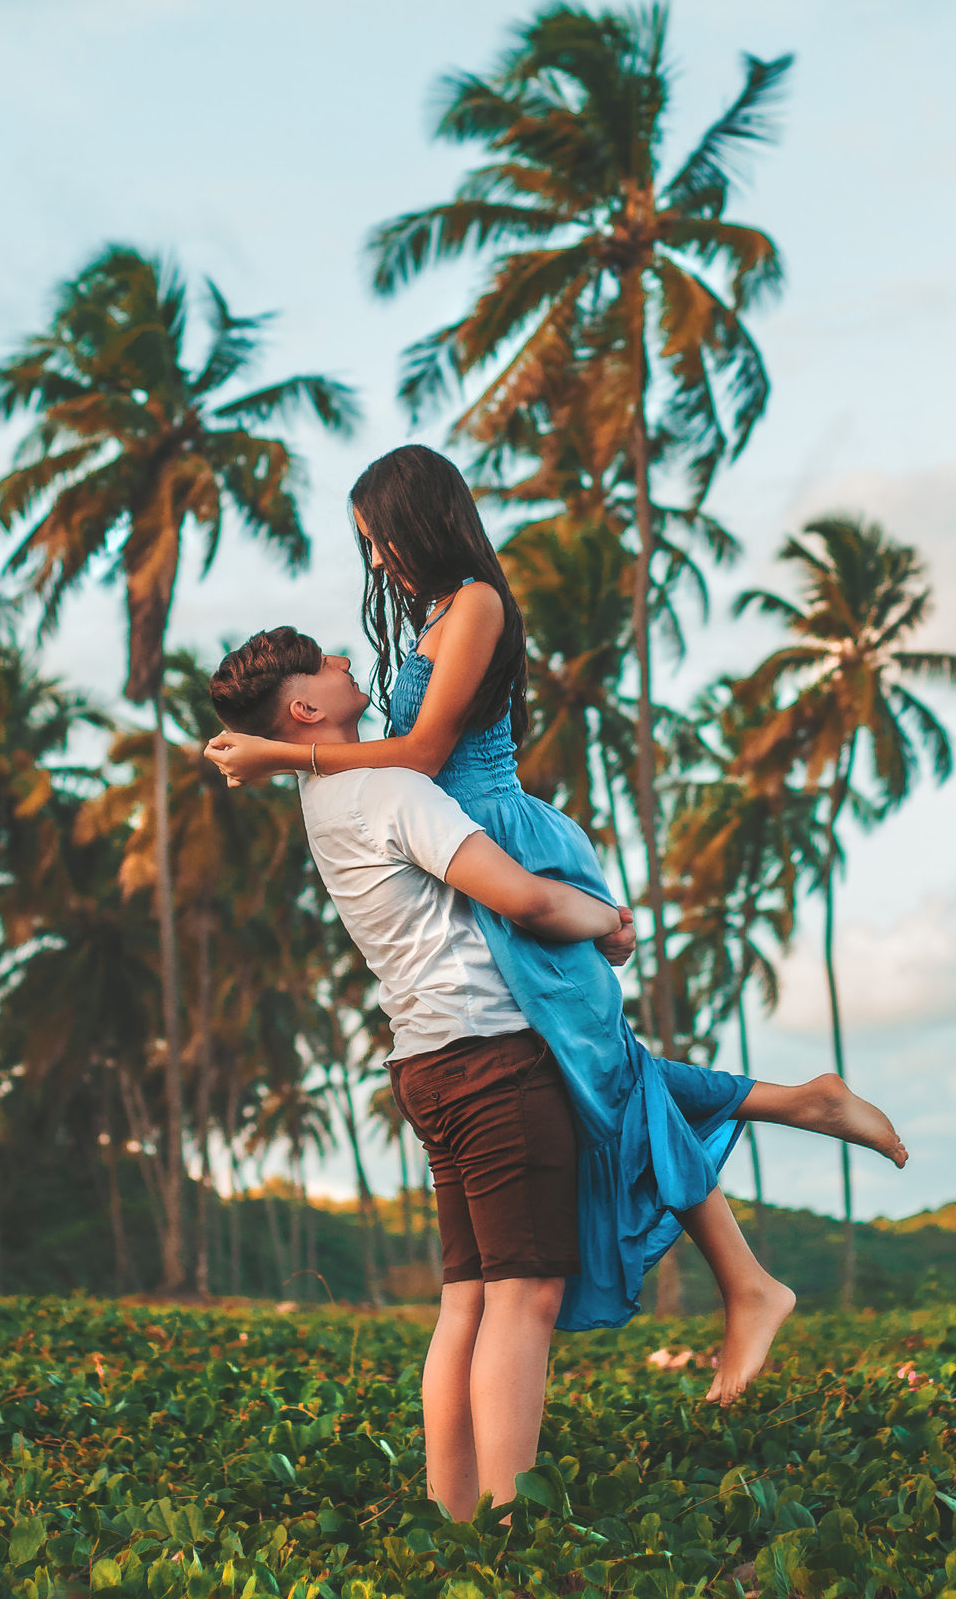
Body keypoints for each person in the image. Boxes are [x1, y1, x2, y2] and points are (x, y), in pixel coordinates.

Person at [204, 448, 908, 1369]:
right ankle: (782, 1156)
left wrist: (282, 759)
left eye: (378, 541)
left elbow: (418, 755)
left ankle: (755, 1258)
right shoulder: (432, 617)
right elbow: (398, 765)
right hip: (472, 848)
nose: (375, 563)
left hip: (503, 843)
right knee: (598, 1066)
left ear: (420, 521)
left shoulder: (476, 605)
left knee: (600, 1067)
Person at [209, 626, 909, 1514]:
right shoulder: (389, 790)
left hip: (426, 1064)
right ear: (305, 707)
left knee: (467, 1304)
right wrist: (606, 915)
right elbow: (527, 899)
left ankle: (452, 1523)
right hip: (496, 1058)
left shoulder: (326, 802)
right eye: (327, 664)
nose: (350, 661)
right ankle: (509, 1530)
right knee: (524, 1301)